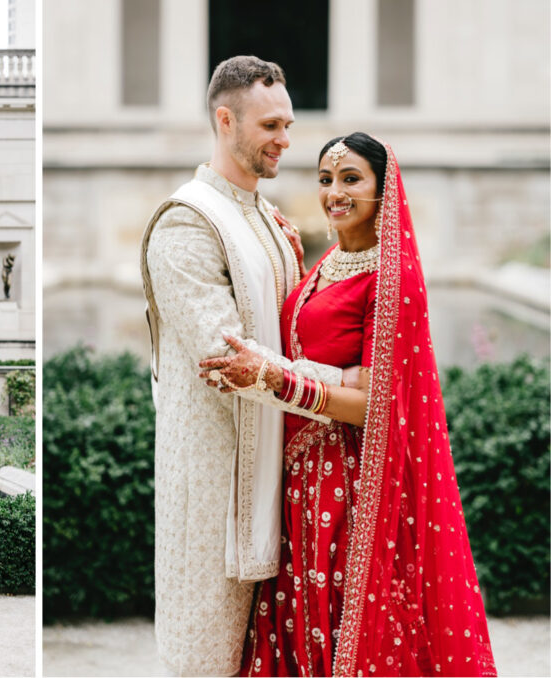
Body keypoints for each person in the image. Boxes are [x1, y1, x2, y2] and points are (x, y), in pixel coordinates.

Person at [201, 133, 497, 676]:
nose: (334, 192)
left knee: (343, 623)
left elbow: (373, 407)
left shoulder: (392, 277)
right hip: (302, 478)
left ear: (385, 191)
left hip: (354, 482)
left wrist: (271, 377)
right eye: (325, 179)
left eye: (351, 179)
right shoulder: (333, 259)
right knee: (304, 619)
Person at [140, 55, 353, 676]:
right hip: (211, 487)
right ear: (225, 119)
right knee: (204, 660)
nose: (286, 139)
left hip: (275, 479)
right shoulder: (186, 223)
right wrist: (349, 389)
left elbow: (296, 328)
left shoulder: (262, 216)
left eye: (287, 124)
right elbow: (231, 359)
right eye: (269, 126)